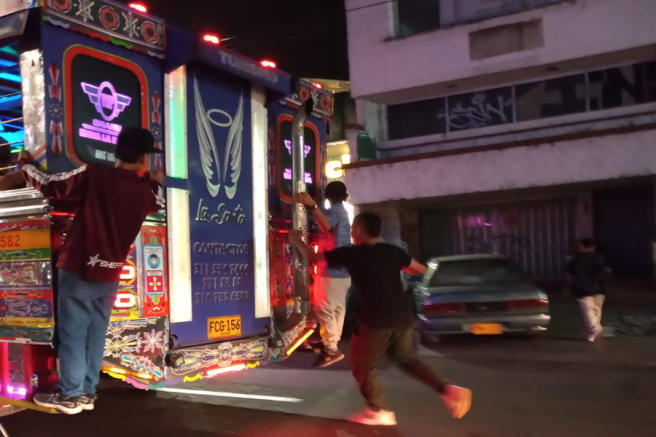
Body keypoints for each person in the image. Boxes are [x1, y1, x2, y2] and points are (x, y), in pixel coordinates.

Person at [18, 127, 164, 414]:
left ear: (117, 152)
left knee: (73, 333)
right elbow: (156, 201)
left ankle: (70, 396)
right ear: (144, 159)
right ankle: (86, 392)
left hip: (79, 268)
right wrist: (156, 182)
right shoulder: (146, 190)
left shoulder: (94, 174)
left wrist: (24, 164)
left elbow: (50, 186)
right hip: (110, 273)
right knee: (96, 334)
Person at [289, 212, 472, 426]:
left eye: (353, 228)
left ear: (359, 230)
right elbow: (421, 269)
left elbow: (313, 258)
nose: (351, 232)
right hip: (403, 315)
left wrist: (297, 239)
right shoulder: (393, 251)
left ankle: (378, 410)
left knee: (361, 361)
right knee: (406, 358)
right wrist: (393, 269)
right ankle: (449, 390)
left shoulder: (353, 253)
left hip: (377, 319)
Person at [296, 181, 351, 367]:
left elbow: (326, 225)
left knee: (324, 308)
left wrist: (311, 205)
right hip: (343, 271)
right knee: (336, 310)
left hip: (331, 271)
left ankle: (332, 350)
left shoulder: (335, 211)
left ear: (327, 196)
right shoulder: (343, 212)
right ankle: (331, 342)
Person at [566, 238, 611, 342]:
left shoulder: (576, 259)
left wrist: (571, 286)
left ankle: (593, 330)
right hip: (599, 288)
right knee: (596, 310)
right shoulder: (601, 257)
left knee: (588, 310)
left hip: (583, 288)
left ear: (584, 247)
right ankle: (596, 329)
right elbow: (608, 271)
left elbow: (569, 274)